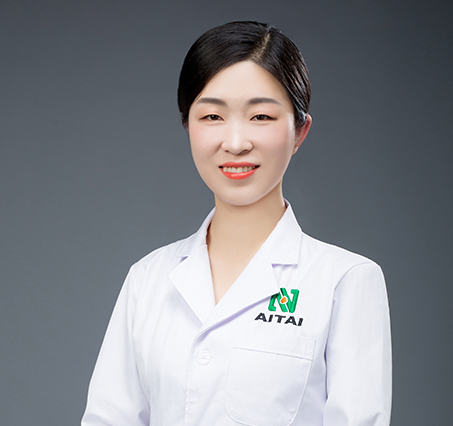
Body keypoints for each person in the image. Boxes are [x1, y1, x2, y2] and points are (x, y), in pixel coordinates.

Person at [81, 21, 392, 426]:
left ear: (299, 131)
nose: (235, 142)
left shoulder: (345, 281)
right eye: (212, 116)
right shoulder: (148, 278)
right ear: (188, 126)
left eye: (261, 116)